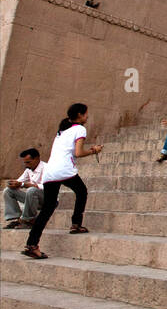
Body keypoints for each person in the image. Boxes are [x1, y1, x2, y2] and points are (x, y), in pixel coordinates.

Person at [22, 103, 103, 259]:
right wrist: (94, 150)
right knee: (82, 192)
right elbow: (78, 153)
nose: (87, 117)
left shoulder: (62, 131)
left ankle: (32, 244)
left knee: (47, 208)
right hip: (64, 170)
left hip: (50, 172)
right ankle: (76, 224)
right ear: (80, 115)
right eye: (86, 114)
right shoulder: (80, 129)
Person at [4, 148, 45, 229]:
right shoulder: (28, 169)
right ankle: (18, 218)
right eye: (25, 163)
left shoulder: (47, 168)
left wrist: (23, 184)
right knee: (8, 191)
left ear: (37, 158)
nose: (26, 165)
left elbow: (44, 187)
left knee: (32, 190)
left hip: (47, 200)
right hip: (34, 199)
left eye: (28, 162)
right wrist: (13, 184)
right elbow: (19, 181)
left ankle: (28, 220)